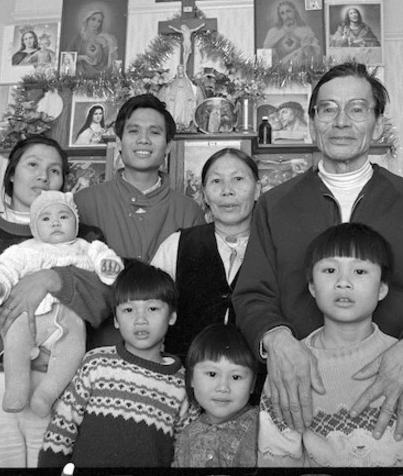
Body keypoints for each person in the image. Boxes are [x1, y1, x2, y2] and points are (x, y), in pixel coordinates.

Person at [232, 62, 403, 446]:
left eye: (357, 109)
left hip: (394, 398)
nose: (341, 121)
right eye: (327, 109)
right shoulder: (274, 206)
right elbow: (251, 295)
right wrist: (276, 341)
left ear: (377, 125)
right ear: (312, 123)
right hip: (301, 400)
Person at [0, 135, 111, 468]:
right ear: (11, 173)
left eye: (54, 170)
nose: (43, 176)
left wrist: (54, 278)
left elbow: (106, 299)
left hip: (61, 385)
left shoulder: (87, 240)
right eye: (33, 165)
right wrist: (8, 355)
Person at [259, 223, 403, 467]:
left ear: (382, 288)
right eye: (330, 270)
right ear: (311, 286)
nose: (343, 282)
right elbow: (278, 460)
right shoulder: (288, 365)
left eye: (360, 272)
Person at [75, 94, 206, 347]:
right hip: (96, 350)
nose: (143, 140)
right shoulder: (84, 204)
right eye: (133, 131)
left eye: (155, 133)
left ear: (168, 146)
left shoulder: (189, 211)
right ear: (119, 141)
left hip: (169, 353)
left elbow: (194, 295)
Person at [0, 190, 123, 416]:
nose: (55, 222)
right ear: (35, 228)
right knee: (15, 342)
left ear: (75, 223)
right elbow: (5, 271)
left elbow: (106, 260)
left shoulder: (87, 247)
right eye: (46, 219)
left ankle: (46, 394)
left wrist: (108, 267)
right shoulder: (24, 250)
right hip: (30, 315)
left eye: (63, 217)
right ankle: (16, 389)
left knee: (73, 352)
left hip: (70, 318)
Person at [37, 261, 189, 468]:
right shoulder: (96, 364)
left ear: (172, 316)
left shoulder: (182, 383)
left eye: (152, 308)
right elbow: (62, 427)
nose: (140, 319)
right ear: (116, 319)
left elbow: (185, 452)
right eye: (128, 310)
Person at [151, 148, 260, 360]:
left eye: (238, 179)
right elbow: (150, 309)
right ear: (204, 194)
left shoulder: (272, 245)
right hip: (183, 376)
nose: (227, 190)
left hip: (258, 381)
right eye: (216, 181)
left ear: (257, 190)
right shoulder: (178, 244)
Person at [173, 324, 259, 468]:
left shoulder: (264, 428)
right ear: (191, 378)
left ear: (252, 384)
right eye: (212, 374)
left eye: (236, 377)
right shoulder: (185, 437)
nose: (223, 387)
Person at [262, 0, 322, 68]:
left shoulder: (305, 30)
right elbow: (264, 52)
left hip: (301, 69)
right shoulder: (274, 32)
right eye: (282, 13)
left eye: (288, 11)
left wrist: (305, 46)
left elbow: (316, 50)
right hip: (279, 70)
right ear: (280, 16)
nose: (286, 16)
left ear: (294, 12)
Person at [68, 10, 118, 76]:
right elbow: (67, 57)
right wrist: (82, 57)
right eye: (93, 19)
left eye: (99, 21)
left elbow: (110, 63)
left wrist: (106, 46)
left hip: (99, 76)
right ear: (87, 20)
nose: (96, 23)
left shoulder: (105, 38)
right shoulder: (78, 38)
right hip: (80, 76)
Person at [163, 64, 202, 131]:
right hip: (177, 98)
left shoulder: (187, 81)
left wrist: (190, 97)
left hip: (184, 98)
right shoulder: (174, 81)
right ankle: (176, 123)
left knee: (183, 110)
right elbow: (172, 89)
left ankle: (183, 123)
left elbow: (189, 89)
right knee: (176, 109)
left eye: (181, 69)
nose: (180, 71)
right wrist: (172, 96)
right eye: (179, 69)